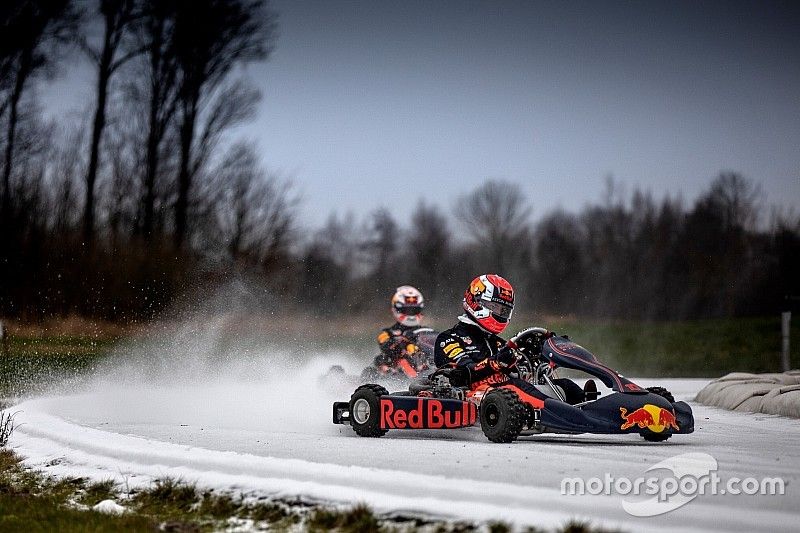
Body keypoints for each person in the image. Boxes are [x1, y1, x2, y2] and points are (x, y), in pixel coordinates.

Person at [433, 274, 586, 405]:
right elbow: (465, 373)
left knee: (567, 387)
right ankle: (564, 414)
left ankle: (590, 406)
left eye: (504, 310)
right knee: (514, 388)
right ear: (476, 302)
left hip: (509, 393)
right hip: (480, 395)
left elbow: (520, 371)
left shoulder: (498, 343)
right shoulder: (448, 339)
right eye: (495, 306)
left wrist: (543, 353)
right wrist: (496, 362)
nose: (500, 313)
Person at [371, 285, 431, 375]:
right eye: (407, 310)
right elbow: (386, 347)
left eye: (414, 310)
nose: (410, 313)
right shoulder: (387, 334)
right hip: (400, 372)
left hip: (426, 366)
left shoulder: (427, 332)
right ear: (396, 309)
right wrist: (401, 342)